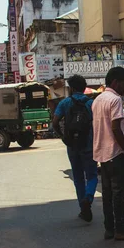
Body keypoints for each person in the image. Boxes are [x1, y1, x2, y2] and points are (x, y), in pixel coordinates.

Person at [92, 66, 124, 241]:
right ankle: (120, 230)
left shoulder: (97, 100)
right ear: (115, 82)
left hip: (102, 155)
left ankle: (109, 229)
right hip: (115, 153)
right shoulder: (115, 100)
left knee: (107, 194)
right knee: (119, 194)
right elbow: (116, 128)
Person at [53, 74, 98, 222]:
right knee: (91, 176)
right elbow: (98, 124)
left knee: (78, 178)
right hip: (88, 144)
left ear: (71, 88)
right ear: (84, 88)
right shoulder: (91, 104)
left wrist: (63, 136)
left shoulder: (65, 103)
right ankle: (89, 198)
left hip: (72, 145)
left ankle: (83, 207)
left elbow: (55, 122)